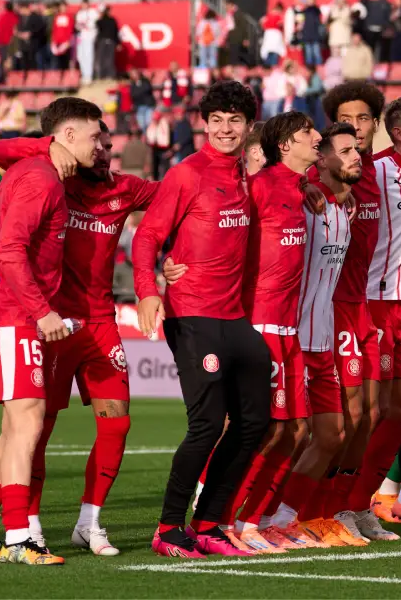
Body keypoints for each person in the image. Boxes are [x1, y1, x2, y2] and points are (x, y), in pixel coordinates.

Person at [0, 119, 157, 555]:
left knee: (118, 422)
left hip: (100, 323)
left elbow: (180, 199)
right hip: (56, 323)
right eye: (95, 142)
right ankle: (32, 524)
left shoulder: (126, 189)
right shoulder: (56, 178)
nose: (102, 151)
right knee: (37, 428)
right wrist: (53, 142)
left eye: (107, 145)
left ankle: (90, 522)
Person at [133, 81, 272, 558]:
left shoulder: (247, 178)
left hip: (235, 319)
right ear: (204, 124)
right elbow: (147, 237)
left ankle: (209, 524)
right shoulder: (186, 174)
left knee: (256, 422)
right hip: (192, 314)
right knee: (207, 425)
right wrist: (149, 290)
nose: (225, 128)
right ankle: (169, 528)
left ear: (248, 127)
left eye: (235, 120)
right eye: (216, 120)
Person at [0, 98, 102, 565]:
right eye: (92, 136)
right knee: (26, 425)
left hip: (18, 316)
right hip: (17, 317)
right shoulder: (40, 179)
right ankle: (21, 538)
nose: (100, 145)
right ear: (66, 137)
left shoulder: (38, 172)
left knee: (14, 430)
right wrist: (44, 313)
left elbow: (3, 149)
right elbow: (8, 252)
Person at [227, 112, 326, 549]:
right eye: (308, 133)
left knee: (298, 431)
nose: (317, 137)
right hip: (260, 324)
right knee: (267, 430)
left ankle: (259, 518)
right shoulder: (260, 186)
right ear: (285, 144)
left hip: (291, 327)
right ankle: (227, 519)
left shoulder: (299, 189)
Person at [342, 95, 401, 540]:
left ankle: (362, 505)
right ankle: (329, 506)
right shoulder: (374, 172)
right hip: (374, 304)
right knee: (367, 413)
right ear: (399, 133)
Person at [263, 123, 362, 547]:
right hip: (291, 335)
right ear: (321, 160)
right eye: (345, 150)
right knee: (283, 433)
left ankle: (285, 518)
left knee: (330, 436)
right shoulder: (302, 201)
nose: (356, 155)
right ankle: (241, 515)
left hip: (323, 340)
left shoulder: (342, 208)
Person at [318, 82, 388, 542]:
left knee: (373, 415)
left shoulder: (382, 175)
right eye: (346, 121)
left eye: (363, 119)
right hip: (331, 308)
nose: (356, 128)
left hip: (368, 304)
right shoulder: (317, 179)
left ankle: (353, 504)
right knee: (343, 416)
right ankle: (318, 509)